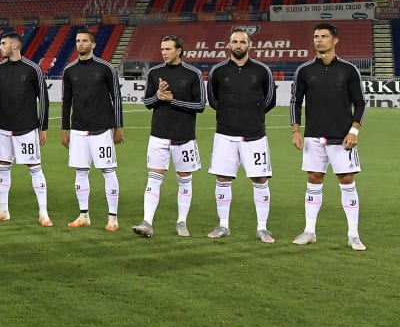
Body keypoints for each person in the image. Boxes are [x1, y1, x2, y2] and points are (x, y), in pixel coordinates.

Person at [290, 22, 367, 251]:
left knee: (346, 180)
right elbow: (296, 102)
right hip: (313, 137)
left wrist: (354, 131)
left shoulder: (348, 70)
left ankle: (353, 234)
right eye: (315, 36)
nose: (319, 40)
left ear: (335, 40)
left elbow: (361, 103)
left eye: (324, 36)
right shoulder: (304, 70)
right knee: (314, 179)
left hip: (342, 138)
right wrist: (296, 131)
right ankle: (309, 231)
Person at [206, 28, 278, 241]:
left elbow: (270, 100)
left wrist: (251, 114)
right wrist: (231, 115)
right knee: (223, 178)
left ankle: (262, 227)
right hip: (225, 134)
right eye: (235, 42)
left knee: (260, 178)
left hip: (254, 135)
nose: (238, 45)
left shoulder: (262, 70)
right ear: (229, 45)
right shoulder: (217, 71)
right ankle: (223, 225)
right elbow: (213, 101)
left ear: (249, 45)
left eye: (242, 42)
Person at [132, 35, 207, 238]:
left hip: (184, 137)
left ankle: (181, 222)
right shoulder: (155, 72)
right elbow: (148, 102)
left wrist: (173, 100)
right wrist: (158, 96)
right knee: (154, 179)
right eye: (162, 48)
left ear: (179, 50)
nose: (164, 52)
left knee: (184, 180)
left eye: (168, 48)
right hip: (158, 135)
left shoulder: (194, 74)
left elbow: (200, 105)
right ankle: (147, 222)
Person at [59, 28, 124, 231]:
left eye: (85, 41)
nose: (80, 44)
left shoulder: (106, 68)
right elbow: (66, 101)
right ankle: (83, 215)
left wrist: (118, 126)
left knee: (108, 171)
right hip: (78, 129)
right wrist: (64, 128)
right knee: (80, 171)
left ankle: (112, 218)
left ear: (93, 45)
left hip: (102, 129)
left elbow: (117, 98)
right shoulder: (69, 70)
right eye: (78, 40)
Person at [0, 31, 52, 226]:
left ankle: (43, 213)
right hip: (4, 129)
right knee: (2, 167)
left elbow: (44, 100)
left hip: (27, 128)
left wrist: (42, 127)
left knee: (34, 168)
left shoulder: (33, 69)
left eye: (3, 43)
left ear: (15, 46)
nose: (0, 47)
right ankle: (3, 210)